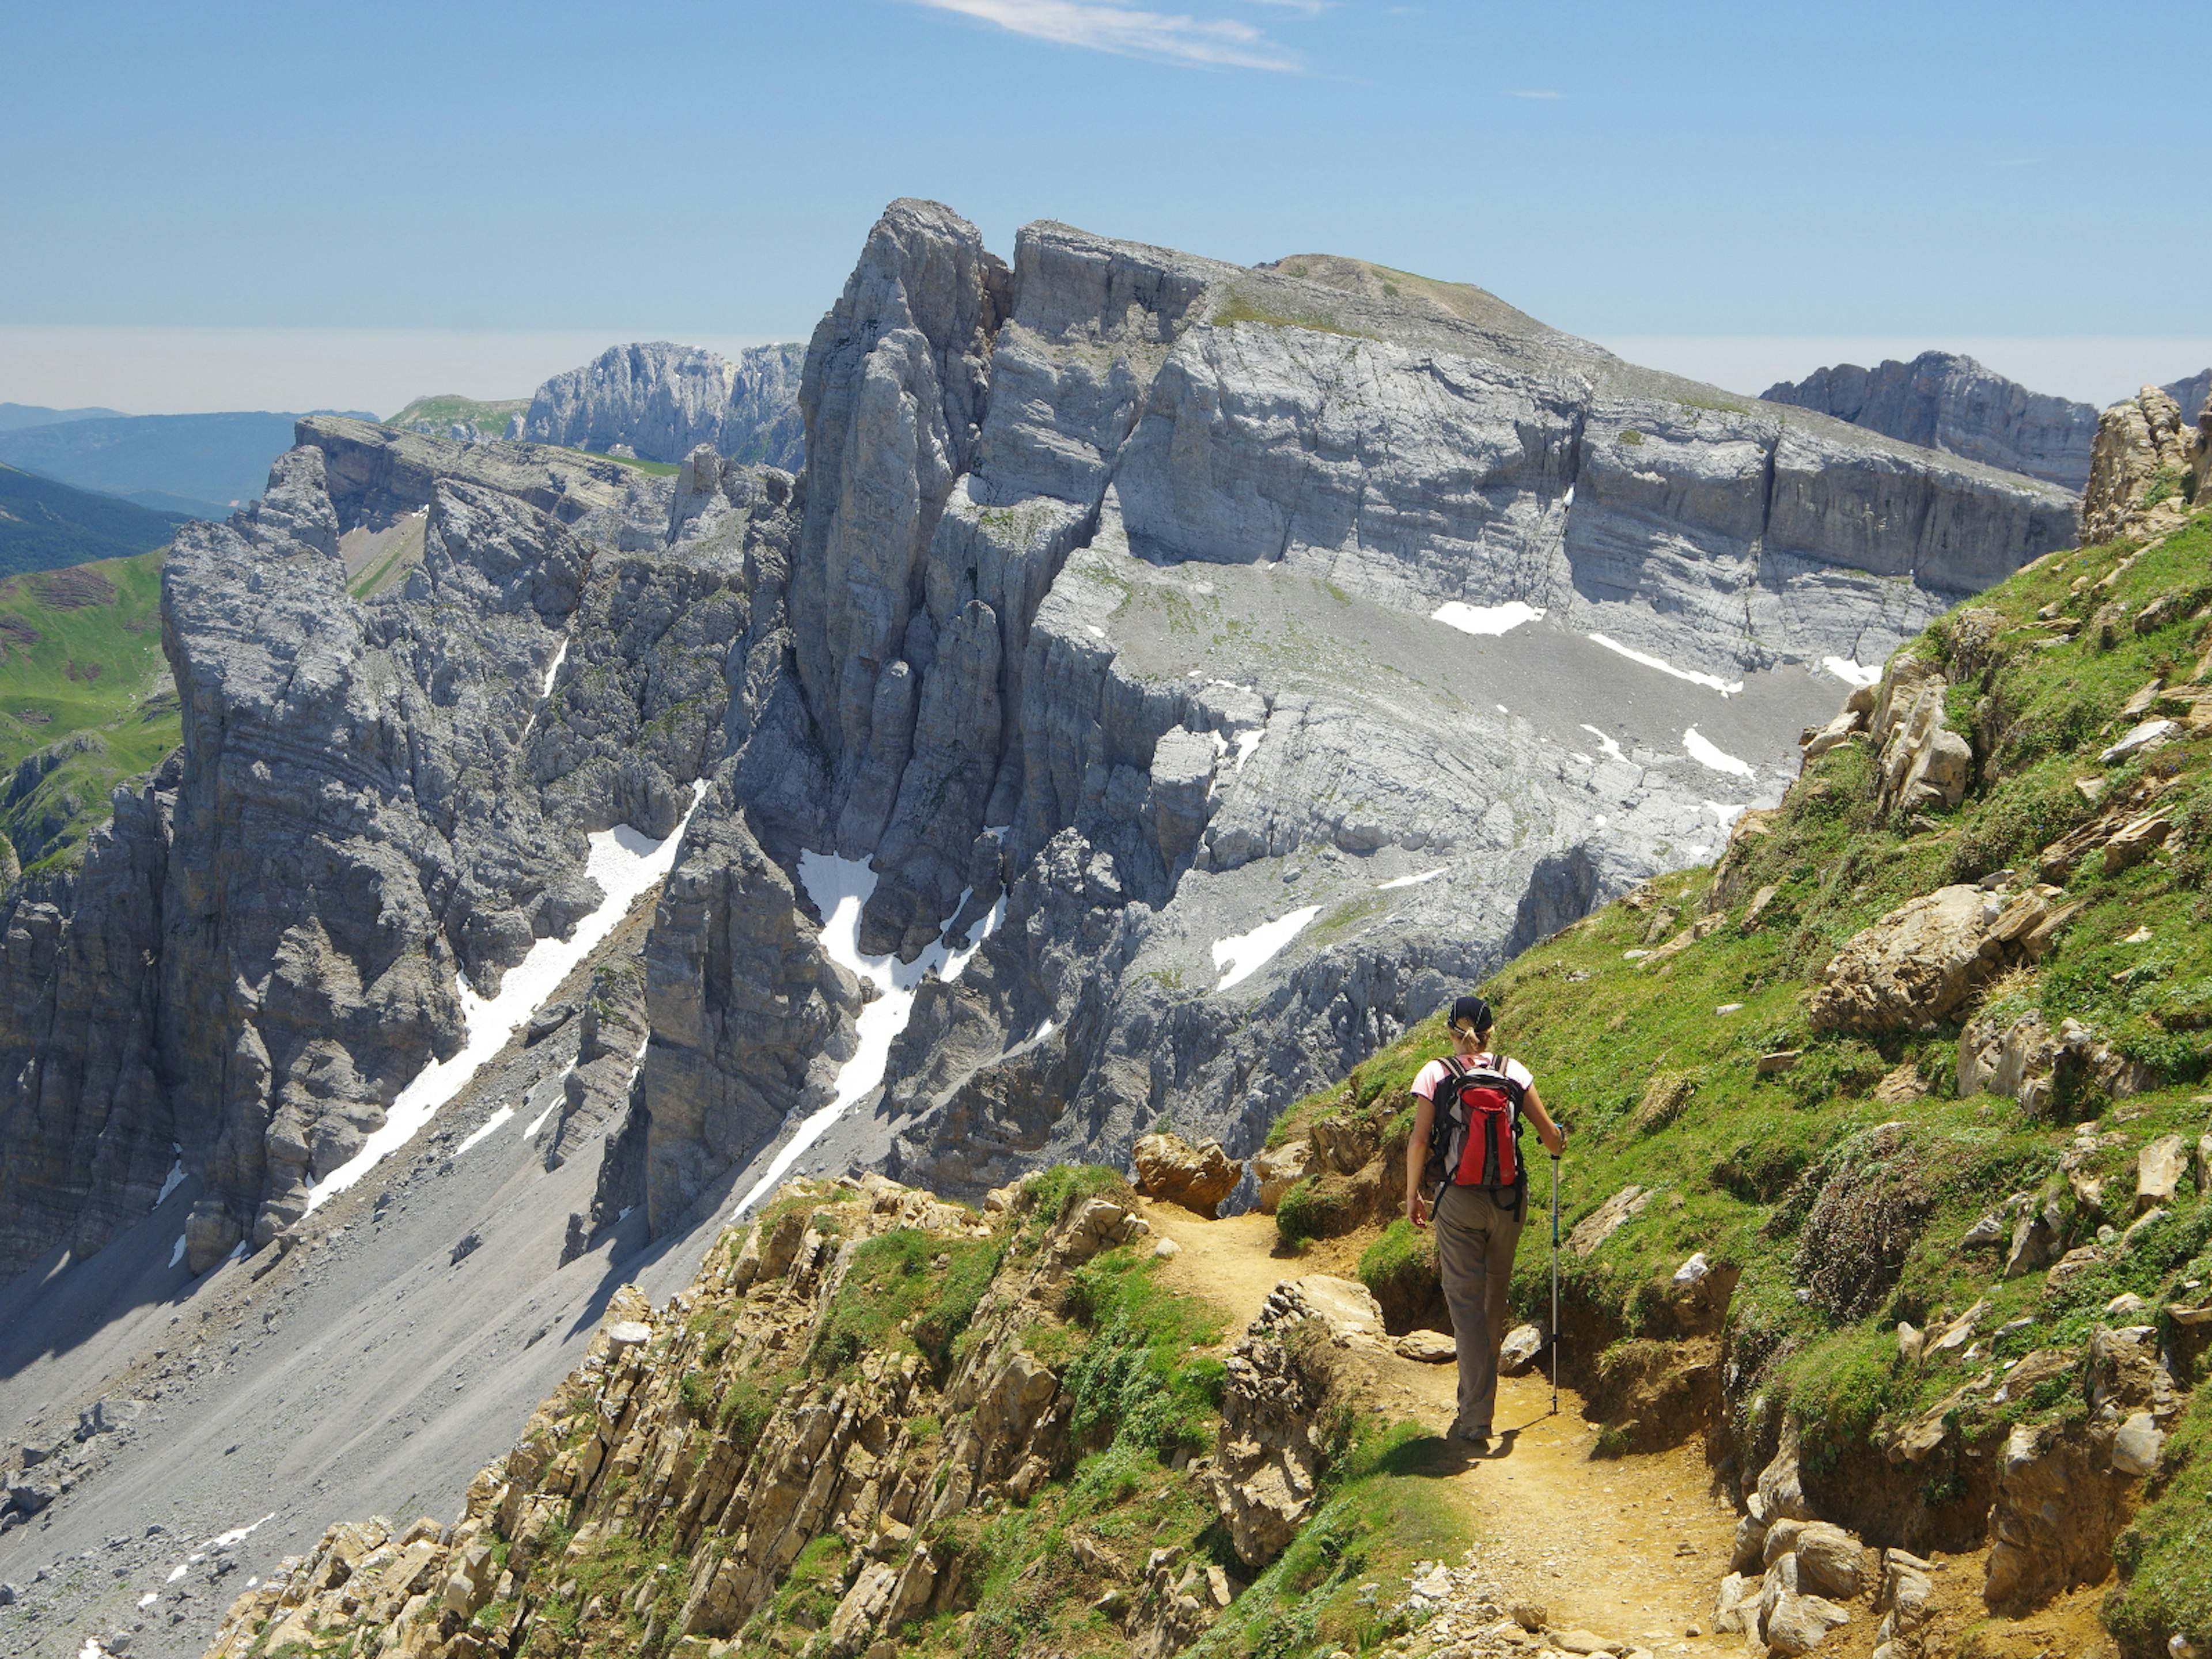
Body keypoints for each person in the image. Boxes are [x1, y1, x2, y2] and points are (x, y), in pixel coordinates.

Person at [1404, 993, 1565, 1449]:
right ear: (1492, 1032)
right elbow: (1551, 1140)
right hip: (1510, 1201)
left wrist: (1412, 1194)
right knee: (1493, 1299)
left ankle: (1475, 1417)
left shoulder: (1436, 1073)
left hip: (1458, 1201)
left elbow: (1419, 1141)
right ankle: (1480, 1403)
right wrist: (1560, 1141)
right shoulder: (1514, 1071)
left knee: (1466, 1306)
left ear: (1452, 1033)